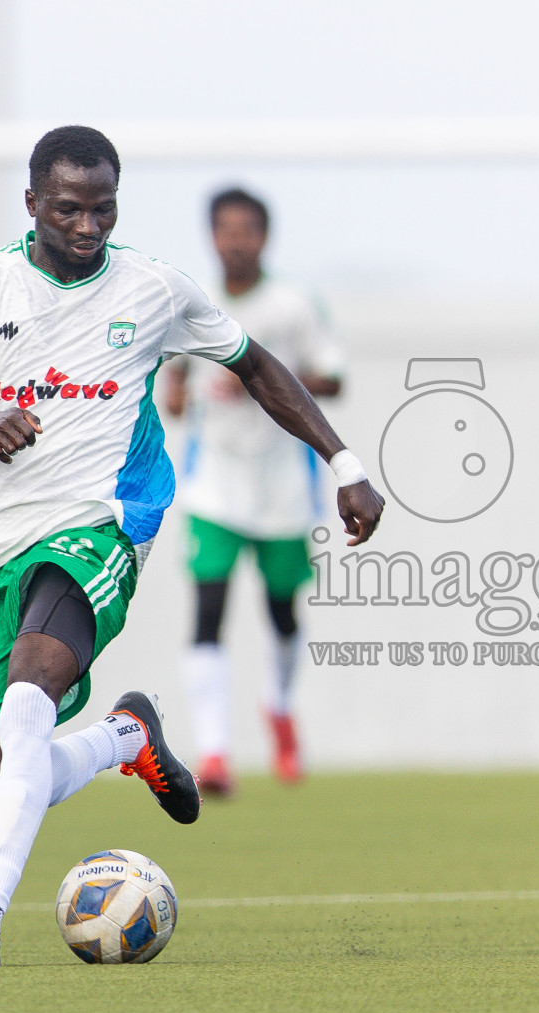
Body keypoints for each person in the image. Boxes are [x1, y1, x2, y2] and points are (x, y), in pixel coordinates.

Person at [0, 126, 385, 968]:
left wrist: (345, 464)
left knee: (29, 694)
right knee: (4, 787)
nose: (88, 226)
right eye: (69, 209)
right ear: (32, 204)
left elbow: (257, 366)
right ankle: (124, 738)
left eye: (103, 209)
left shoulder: (154, 288)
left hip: (100, 523)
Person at [162, 188, 342, 796]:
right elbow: (174, 379)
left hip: (283, 487)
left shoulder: (293, 304)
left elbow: (332, 378)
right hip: (214, 486)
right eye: (225, 230)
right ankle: (214, 752)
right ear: (211, 236)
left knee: (282, 613)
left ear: (265, 237)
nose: (236, 241)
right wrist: (177, 393)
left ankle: (281, 706)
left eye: (247, 230)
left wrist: (264, 382)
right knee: (207, 612)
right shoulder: (192, 302)